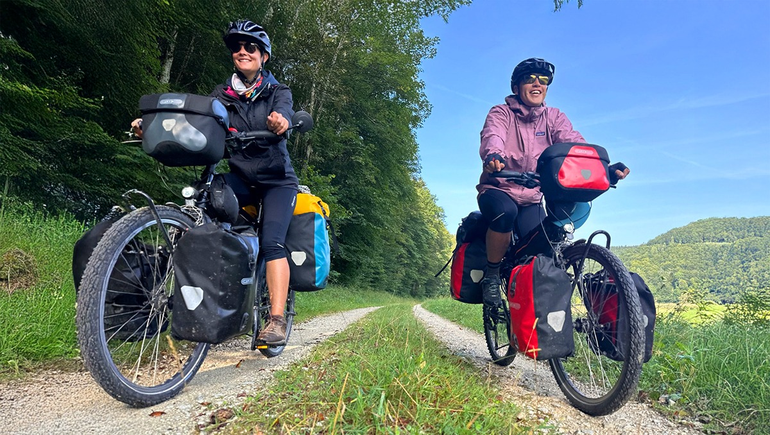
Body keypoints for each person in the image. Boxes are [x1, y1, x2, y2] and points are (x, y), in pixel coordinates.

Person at [131, 19, 297, 345]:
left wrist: (282, 121)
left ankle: (276, 320)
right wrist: (151, 126)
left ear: (264, 56)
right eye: (237, 47)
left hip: (277, 181)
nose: (242, 51)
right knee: (201, 207)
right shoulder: (222, 94)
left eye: (250, 47)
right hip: (240, 178)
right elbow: (199, 119)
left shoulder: (278, 91)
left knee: (272, 242)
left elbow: (286, 115)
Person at [476, 57, 629, 308]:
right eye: (529, 79)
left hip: (534, 196)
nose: (537, 84)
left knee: (542, 245)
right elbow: (494, 135)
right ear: (516, 87)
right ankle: (492, 276)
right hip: (500, 187)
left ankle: (529, 301)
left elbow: (575, 146)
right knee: (505, 212)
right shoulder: (501, 113)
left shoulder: (554, 117)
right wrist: (494, 155)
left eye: (543, 80)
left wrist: (604, 169)